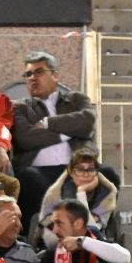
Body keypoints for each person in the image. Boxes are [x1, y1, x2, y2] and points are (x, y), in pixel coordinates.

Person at [14, 51, 99, 213]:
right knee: (26, 177)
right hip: (38, 171)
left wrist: (47, 123)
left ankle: (97, 230)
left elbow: (88, 121)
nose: (32, 77)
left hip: (75, 168)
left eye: (39, 72)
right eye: (28, 74)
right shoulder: (21, 107)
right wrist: (68, 132)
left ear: (55, 75)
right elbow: (25, 138)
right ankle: (41, 232)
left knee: (109, 174)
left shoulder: (76, 100)